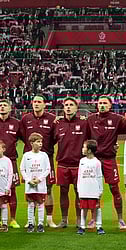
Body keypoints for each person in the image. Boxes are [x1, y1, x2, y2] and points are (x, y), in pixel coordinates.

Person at [87, 96, 126, 230]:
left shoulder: (117, 119)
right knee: (93, 190)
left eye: (105, 103)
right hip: (94, 160)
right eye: (100, 103)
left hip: (109, 159)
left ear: (110, 105)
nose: (102, 105)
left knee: (114, 189)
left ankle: (121, 219)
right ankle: (93, 219)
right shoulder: (90, 119)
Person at [20, 95, 57, 228]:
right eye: (34, 102)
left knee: (48, 188)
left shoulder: (52, 119)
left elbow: (56, 137)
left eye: (39, 102)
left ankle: (49, 218)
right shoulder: (26, 119)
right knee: (31, 189)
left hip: (46, 158)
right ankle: (31, 220)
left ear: (44, 104)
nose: (36, 104)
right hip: (30, 159)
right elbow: (23, 136)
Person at [53, 97, 89, 228]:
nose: (68, 107)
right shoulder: (57, 124)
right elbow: (50, 140)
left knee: (79, 191)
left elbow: (93, 139)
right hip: (62, 163)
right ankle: (64, 219)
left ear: (76, 108)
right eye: (66, 105)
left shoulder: (84, 123)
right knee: (63, 191)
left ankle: (79, 219)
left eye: (71, 105)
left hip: (78, 164)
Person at [0, 99, 22, 229]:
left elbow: (26, 139)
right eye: (0, 105)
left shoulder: (17, 123)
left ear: (10, 108)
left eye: (5, 105)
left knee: (11, 190)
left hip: (11, 161)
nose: (2, 107)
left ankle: (12, 219)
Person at [20, 133, 51, 233]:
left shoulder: (44, 155)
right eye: (38, 142)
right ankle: (30, 223)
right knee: (30, 204)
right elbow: (22, 169)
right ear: (32, 143)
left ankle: (40, 224)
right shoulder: (26, 155)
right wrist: (28, 180)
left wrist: (39, 179)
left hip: (41, 185)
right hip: (30, 186)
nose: (40, 144)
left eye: (41, 142)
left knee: (41, 204)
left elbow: (47, 169)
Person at [77, 139, 104, 236]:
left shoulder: (97, 162)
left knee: (96, 209)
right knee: (83, 209)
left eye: (84, 147)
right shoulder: (82, 161)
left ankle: (99, 226)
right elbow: (80, 175)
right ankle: (82, 226)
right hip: (84, 190)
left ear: (89, 150)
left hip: (94, 190)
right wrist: (79, 188)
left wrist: (100, 190)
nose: (82, 149)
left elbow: (99, 176)